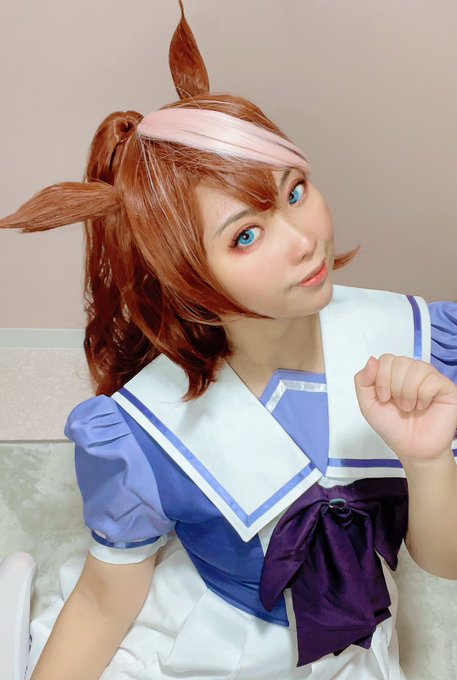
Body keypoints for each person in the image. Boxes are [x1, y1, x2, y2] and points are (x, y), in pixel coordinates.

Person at [1, 2, 457, 679]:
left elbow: (442, 563)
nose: (303, 241)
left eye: (294, 192)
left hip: (352, 643)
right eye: (245, 235)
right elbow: (103, 602)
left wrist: (427, 460)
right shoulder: (143, 438)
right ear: (184, 278)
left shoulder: (416, 341)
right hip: (211, 639)